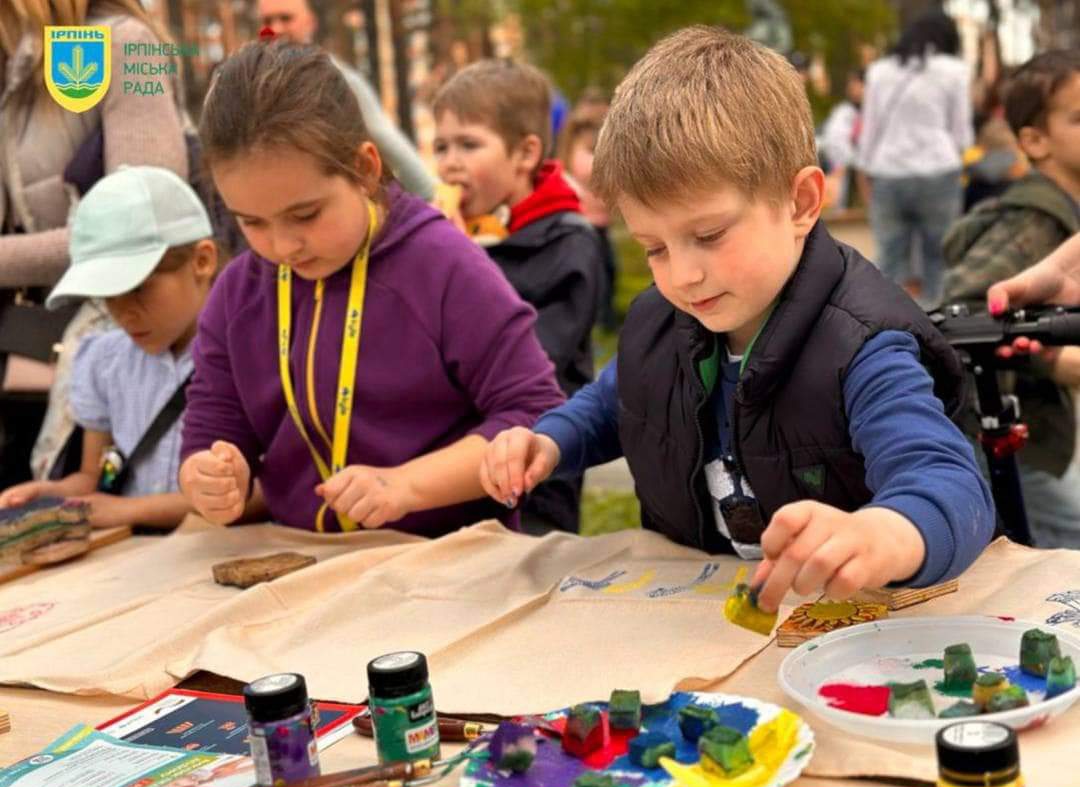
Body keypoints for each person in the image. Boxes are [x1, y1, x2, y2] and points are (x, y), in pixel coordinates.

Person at [480, 26, 995, 613]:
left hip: (850, 628)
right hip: (699, 614)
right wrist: (549, 441)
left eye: (708, 235)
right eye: (655, 248)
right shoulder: (662, 321)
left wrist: (887, 532)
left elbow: (947, 480)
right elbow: (614, 401)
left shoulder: (864, 346)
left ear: (801, 203)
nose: (682, 275)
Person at [178, 41, 564, 536]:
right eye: (251, 222)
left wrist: (406, 487)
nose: (283, 245)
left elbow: (534, 414)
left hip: (448, 559)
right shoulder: (237, 294)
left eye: (306, 214)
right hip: (303, 560)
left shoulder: (442, 265)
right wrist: (207, 477)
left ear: (364, 168)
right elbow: (210, 430)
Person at [0, 0, 189, 487]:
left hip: (117, 340)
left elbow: (149, 223)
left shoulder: (129, 44)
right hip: (25, 349)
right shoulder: (12, 64)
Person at [432, 59, 604, 535]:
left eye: (469, 144)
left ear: (525, 153)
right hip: (466, 447)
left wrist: (462, 262)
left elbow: (537, 353)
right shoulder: (457, 238)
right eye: (441, 146)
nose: (449, 162)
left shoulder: (569, 241)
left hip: (538, 457)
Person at [0, 167, 213, 529]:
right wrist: (54, 495)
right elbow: (93, 476)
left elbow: (264, 490)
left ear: (201, 261)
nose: (124, 311)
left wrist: (130, 511)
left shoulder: (248, 351)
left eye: (138, 287)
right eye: (108, 296)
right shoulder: (103, 360)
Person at [943, 50, 1080, 548]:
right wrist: (1050, 359)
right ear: (1034, 141)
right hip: (1014, 442)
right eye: (1078, 118)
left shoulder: (1063, 213)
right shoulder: (1031, 223)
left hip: (1038, 435)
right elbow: (961, 320)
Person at [257, 0, 435, 202]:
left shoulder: (336, 78)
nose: (276, 28)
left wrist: (432, 197)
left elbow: (388, 141)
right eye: (267, 20)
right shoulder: (257, 82)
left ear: (310, 22)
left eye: (286, 18)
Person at [856, 9, 972, 307]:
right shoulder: (954, 71)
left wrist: (867, 171)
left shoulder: (879, 71)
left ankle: (888, 324)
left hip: (889, 172)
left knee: (890, 257)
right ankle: (939, 325)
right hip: (939, 171)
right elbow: (962, 134)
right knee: (940, 256)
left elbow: (870, 130)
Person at [560, 95, 619, 330]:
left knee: (608, 269)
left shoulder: (593, 157)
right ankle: (598, 318)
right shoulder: (575, 167)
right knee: (597, 272)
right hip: (585, 225)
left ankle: (605, 316)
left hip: (599, 224)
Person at [819, 69, 864, 212]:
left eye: (856, 83)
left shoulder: (866, 111)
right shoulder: (844, 111)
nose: (852, 87)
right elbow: (835, 143)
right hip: (829, 160)